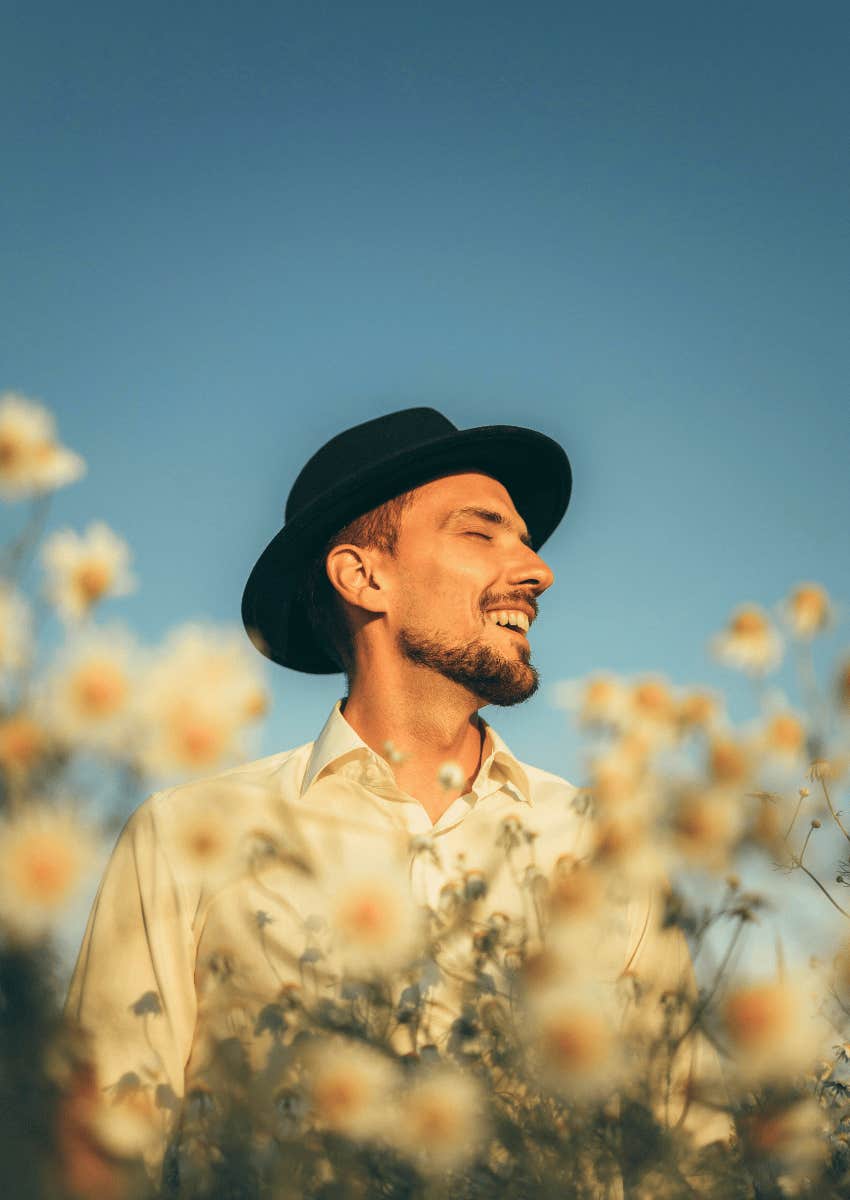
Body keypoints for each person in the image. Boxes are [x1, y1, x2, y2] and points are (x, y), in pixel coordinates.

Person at [64, 407, 729, 1182]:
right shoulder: (185, 836)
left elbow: (687, 1157)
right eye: (481, 534)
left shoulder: (609, 846)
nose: (538, 570)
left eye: (526, 540)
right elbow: (100, 1159)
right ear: (364, 577)